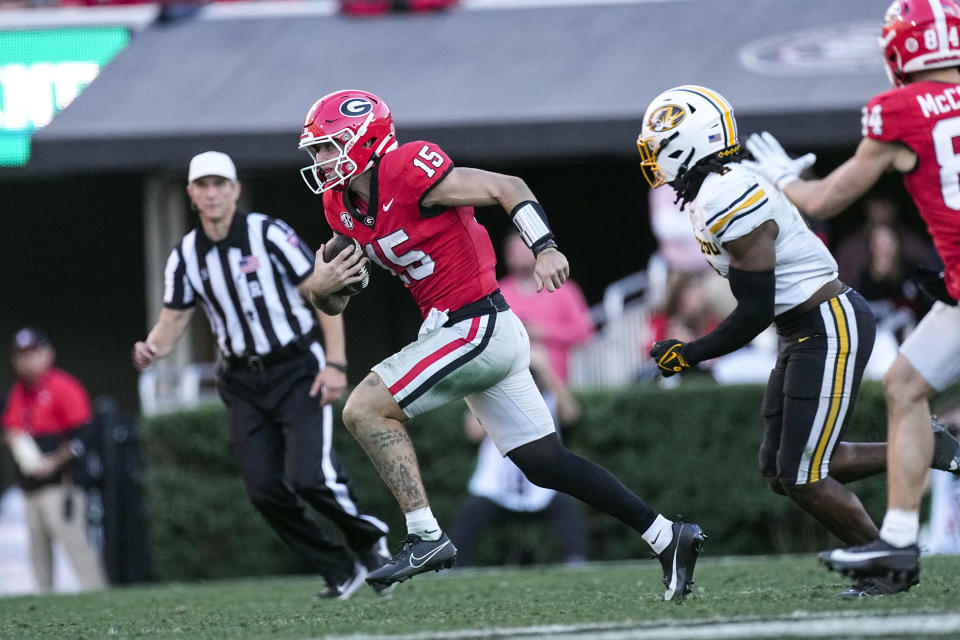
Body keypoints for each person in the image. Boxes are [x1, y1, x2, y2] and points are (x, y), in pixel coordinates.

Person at [299, 89, 706, 601]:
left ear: (365, 139)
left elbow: (507, 186)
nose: (320, 160)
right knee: (545, 462)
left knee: (363, 409)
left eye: (328, 146)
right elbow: (335, 303)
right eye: (315, 150)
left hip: (475, 324)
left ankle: (425, 536)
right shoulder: (340, 207)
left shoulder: (406, 168)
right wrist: (321, 288)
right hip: (476, 331)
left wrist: (545, 246)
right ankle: (668, 536)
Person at [637, 84, 960, 597]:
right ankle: (925, 447)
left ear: (687, 145)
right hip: (804, 327)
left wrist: (691, 353)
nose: (652, 159)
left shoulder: (727, 196)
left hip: (826, 323)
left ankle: (889, 565)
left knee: (806, 476)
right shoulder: (715, 189)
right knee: (780, 471)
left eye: (659, 146)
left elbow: (754, 312)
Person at [743, 0, 960, 595]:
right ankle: (896, 544)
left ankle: (896, 543)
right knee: (905, 385)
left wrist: (784, 177)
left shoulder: (900, 110)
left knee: (906, 388)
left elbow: (823, 203)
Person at [131, 151, 390, 600]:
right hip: (243, 381)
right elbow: (174, 319)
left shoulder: (268, 234)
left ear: (235, 190)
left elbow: (321, 290)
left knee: (312, 477)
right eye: (202, 186)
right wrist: (153, 346)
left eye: (219, 184)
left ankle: (369, 540)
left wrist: (335, 364)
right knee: (264, 490)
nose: (211, 193)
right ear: (192, 194)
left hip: (296, 368)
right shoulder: (187, 256)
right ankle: (338, 568)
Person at [448, 339, 588, 567]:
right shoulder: (493, 397)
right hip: (496, 487)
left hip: (543, 487)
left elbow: (572, 415)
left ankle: (575, 560)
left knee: (566, 506)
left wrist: (546, 368)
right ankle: (455, 566)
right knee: (471, 513)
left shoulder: (549, 399)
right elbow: (473, 433)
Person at [1, 327, 107, 592]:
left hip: (63, 486)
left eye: (32, 352)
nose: (25, 360)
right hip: (30, 488)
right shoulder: (18, 392)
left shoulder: (62, 385)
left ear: (47, 353)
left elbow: (83, 436)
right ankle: (46, 607)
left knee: (76, 548)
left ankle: (98, 599)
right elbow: (11, 430)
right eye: (19, 354)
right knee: (38, 554)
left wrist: (54, 462)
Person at [499, 231, 595, 383]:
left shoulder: (562, 288)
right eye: (516, 251)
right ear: (507, 257)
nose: (522, 255)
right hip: (511, 374)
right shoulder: (498, 293)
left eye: (525, 249)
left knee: (537, 356)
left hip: (559, 376)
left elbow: (585, 332)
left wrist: (545, 332)